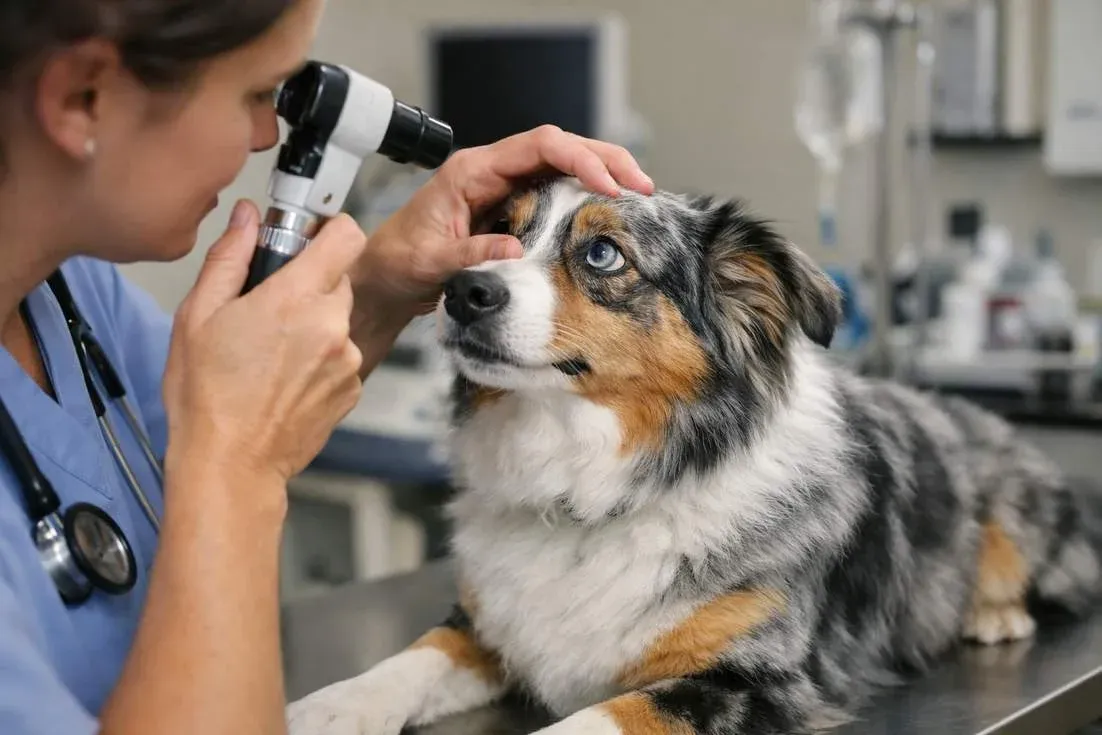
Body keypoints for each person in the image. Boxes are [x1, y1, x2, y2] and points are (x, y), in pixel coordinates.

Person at [0, 0, 654, 732]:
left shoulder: (72, 293)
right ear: (81, 97)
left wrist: (377, 287)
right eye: (255, 95)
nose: (263, 136)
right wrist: (238, 466)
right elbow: (227, 438)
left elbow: (238, 399)